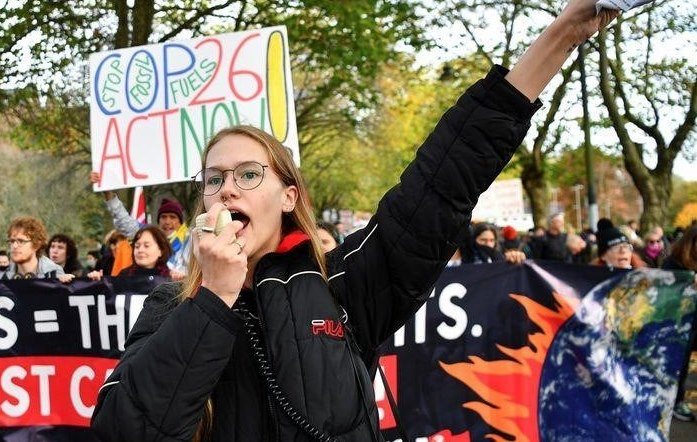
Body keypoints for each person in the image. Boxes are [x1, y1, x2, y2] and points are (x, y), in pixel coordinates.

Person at [91, 2, 619, 440]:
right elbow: (124, 429)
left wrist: (564, 33)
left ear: (287, 195)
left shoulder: (342, 281)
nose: (226, 188)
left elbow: (441, 185)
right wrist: (212, 301)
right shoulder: (170, 305)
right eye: (213, 179)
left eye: (248, 174)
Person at [89, 172, 190, 280]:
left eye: (173, 217)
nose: (167, 221)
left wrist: (183, 281)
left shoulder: (190, 241)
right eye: (163, 217)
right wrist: (107, 192)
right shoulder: (145, 234)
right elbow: (123, 219)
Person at [662, 225, 697, 422]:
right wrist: (688, 284)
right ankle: (676, 401)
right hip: (681, 320)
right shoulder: (674, 263)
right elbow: (665, 289)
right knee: (680, 362)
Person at [1, 217, 71, 282]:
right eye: (12, 241)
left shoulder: (54, 274)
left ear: (36, 245)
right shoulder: (3, 275)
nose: (14, 246)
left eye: (21, 241)